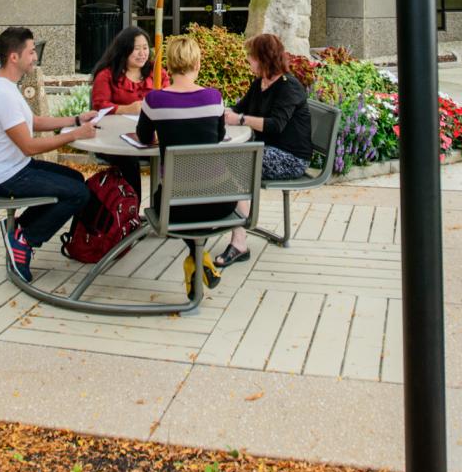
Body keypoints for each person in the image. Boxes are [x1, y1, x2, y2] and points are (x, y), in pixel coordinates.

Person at [0, 26, 98, 282]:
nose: (35, 57)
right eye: (31, 52)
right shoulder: (3, 95)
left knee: (76, 180)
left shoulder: (6, 86)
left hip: (16, 167)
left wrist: (76, 120)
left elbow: (33, 122)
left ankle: (19, 228)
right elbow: (29, 146)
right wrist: (74, 135)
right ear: (14, 57)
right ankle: (25, 241)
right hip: (7, 176)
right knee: (79, 193)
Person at [136, 35, 233, 298]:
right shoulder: (214, 98)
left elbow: (144, 138)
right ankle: (198, 259)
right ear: (197, 64)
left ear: (168, 65)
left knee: (175, 200)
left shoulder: (154, 100)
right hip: (221, 201)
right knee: (197, 198)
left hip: (174, 205)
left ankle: (197, 259)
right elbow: (218, 136)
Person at [215, 32, 312, 268]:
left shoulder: (289, 87)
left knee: (237, 164)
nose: (248, 59)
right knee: (226, 159)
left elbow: (276, 125)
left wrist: (240, 120)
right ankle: (231, 220)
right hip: (266, 149)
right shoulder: (260, 83)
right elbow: (239, 108)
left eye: (251, 56)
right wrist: (222, 112)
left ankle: (239, 241)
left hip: (291, 158)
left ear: (264, 58)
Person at [89, 27, 169, 196]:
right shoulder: (107, 75)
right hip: (114, 139)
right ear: (124, 50)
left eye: (145, 48)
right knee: (128, 161)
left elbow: (169, 97)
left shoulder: (157, 72)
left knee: (172, 153)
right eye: (136, 48)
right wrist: (127, 109)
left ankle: (165, 204)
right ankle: (131, 207)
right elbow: (99, 106)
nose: (142, 53)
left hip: (151, 136)